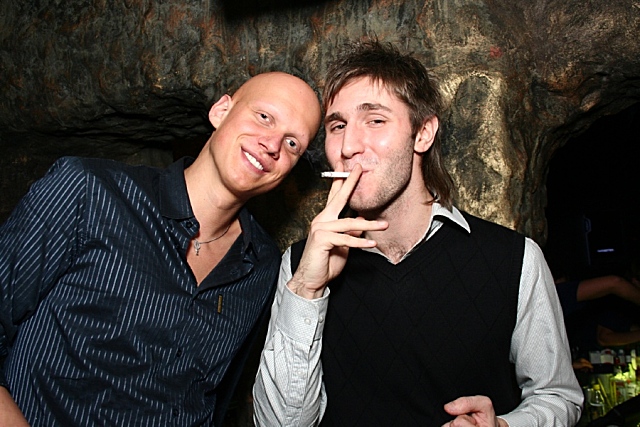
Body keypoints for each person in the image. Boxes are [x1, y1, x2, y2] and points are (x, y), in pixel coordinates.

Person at [253, 40, 583, 426]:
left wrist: (505, 425)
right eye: (337, 126)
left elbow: (558, 396)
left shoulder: (514, 259)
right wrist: (307, 290)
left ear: (423, 133)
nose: (348, 146)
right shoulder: (299, 266)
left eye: (375, 120)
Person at [0, 71, 321, 426]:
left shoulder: (262, 265)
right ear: (221, 111)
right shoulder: (88, 191)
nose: (273, 145)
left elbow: (217, 399)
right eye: (263, 117)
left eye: (293, 143)